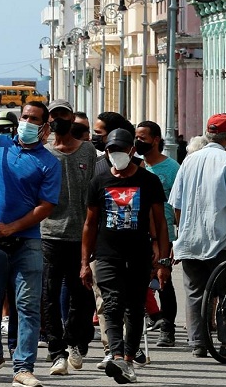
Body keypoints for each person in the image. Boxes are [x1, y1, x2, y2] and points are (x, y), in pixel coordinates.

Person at [0, 89, 60, 387]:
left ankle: (23, 367)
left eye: (34, 119)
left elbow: (46, 206)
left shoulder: (49, 162)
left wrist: (13, 227)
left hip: (28, 243)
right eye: (25, 117)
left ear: (45, 128)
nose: (27, 122)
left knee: (28, 306)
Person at [80, 129, 171, 385]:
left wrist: (163, 260)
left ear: (132, 150)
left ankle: (128, 360)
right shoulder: (98, 182)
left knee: (134, 307)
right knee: (112, 303)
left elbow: (161, 223)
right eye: (111, 150)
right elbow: (89, 224)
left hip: (139, 254)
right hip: (107, 254)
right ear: (106, 152)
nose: (116, 154)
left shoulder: (148, 181)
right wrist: (84, 263)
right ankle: (116, 354)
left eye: (121, 149)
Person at [169, 113, 226, 358]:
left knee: (195, 292)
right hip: (222, 239)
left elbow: (176, 203)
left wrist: (183, 228)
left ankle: (197, 343)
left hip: (190, 239)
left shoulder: (189, 160)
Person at [41, 100, 97, 376]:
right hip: (49, 234)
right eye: (54, 115)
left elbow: (95, 194)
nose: (58, 120)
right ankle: (56, 351)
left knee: (82, 295)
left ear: (72, 117)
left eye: (63, 114)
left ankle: (76, 341)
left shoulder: (88, 150)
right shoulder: (44, 152)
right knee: (49, 295)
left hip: (81, 235)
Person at [135, 120, 180, 347]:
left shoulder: (172, 168)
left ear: (156, 140)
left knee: (164, 281)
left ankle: (168, 329)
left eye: (143, 137)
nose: (138, 141)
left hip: (165, 234)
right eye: (137, 137)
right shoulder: (136, 166)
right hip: (140, 233)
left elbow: (180, 204)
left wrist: (179, 237)